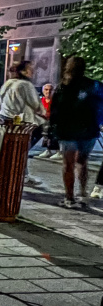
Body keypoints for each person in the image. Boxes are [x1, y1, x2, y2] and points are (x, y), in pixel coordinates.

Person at [50, 56, 103, 208]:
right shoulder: (94, 85)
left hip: (67, 130)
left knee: (68, 164)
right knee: (82, 162)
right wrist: (98, 122)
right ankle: (83, 193)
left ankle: (69, 197)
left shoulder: (63, 87)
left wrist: (53, 129)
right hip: (89, 130)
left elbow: (55, 110)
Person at [0, 60, 48, 186]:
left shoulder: (7, 84)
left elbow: (0, 100)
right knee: (22, 149)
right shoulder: (25, 85)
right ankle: (21, 175)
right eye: (30, 68)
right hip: (23, 123)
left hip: (6, 120)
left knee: (14, 150)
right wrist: (44, 113)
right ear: (23, 71)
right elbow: (36, 105)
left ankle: (18, 173)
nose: (33, 71)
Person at [36, 83, 61, 160]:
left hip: (55, 123)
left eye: (50, 90)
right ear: (43, 91)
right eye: (46, 90)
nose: (48, 92)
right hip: (43, 122)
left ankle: (58, 151)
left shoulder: (57, 101)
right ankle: (48, 149)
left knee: (49, 127)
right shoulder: (40, 101)